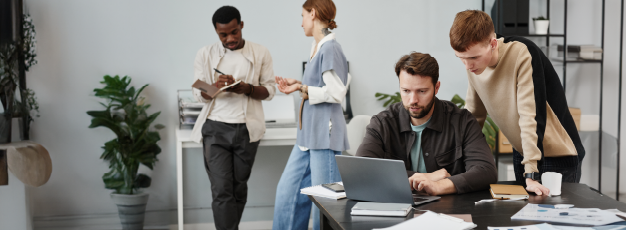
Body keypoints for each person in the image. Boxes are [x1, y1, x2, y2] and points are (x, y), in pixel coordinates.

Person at [448, 10, 585, 196]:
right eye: (461, 58)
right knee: (523, 221)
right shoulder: (474, 64)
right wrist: (453, 166)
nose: (467, 65)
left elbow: (530, 116)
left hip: (557, 155)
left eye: (473, 58)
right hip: (524, 152)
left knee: (552, 222)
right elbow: (474, 115)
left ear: (493, 44)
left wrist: (531, 173)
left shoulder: (522, 53)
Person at [356, 52, 497, 196]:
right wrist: (427, 177)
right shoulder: (382, 123)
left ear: (436, 88)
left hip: (449, 212)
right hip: (396, 210)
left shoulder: (462, 122)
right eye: (406, 91)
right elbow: (361, 170)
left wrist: (439, 185)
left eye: (422, 91)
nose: (413, 100)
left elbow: (485, 171)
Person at [190, 5, 276, 230]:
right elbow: (198, 93)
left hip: (247, 130)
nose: (230, 38)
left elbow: (269, 91)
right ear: (216, 32)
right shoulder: (205, 54)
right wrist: (215, 87)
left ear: (241, 25)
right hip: (215, 129)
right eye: (223, 35)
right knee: (221, 190)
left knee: (238, 188)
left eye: (234, 32)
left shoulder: (260, 53)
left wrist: (246, 88)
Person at [273, 0, 349, 229]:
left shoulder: (330, 47)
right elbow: (322, 84)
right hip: (307, 137)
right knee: (287, 194)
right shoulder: (318, 47)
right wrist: (300, 82)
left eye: (303, 15)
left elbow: (337, 92)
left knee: (324, 207)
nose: (301, 22)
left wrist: (301, 89)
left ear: (313, 13)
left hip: (323, 138)